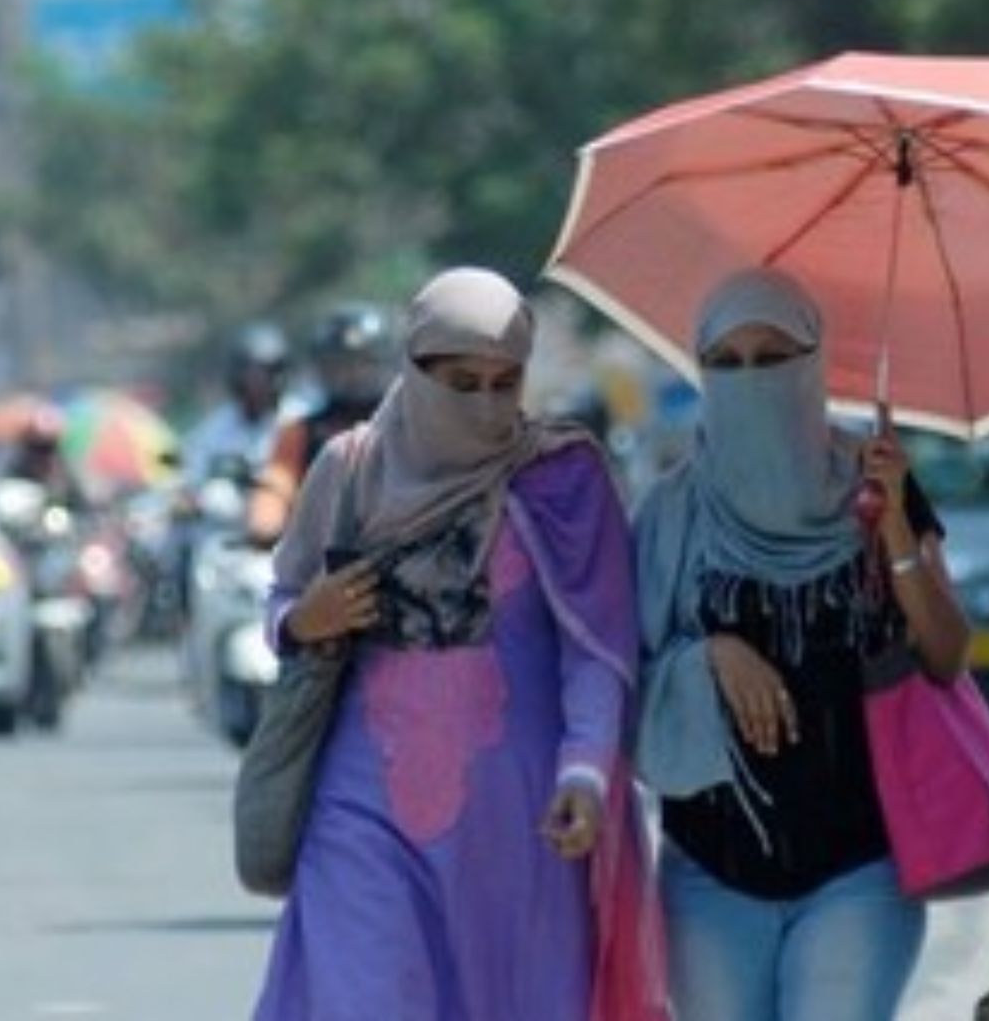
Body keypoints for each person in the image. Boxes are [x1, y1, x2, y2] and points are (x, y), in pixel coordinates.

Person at [253, 268, 666, 1020]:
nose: (484, 405)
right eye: (461, 381)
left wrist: (585, 773)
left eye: (504, 382)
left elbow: (597, 650)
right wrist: (303, 620)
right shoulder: (350, 470)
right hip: (361, 805)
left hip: (526, 821)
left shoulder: (563, 480)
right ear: (413, 370)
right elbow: (282, 599)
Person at [632, 269, 971, 1020]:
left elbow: (947, 654)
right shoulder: (669, 513)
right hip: (708, 872)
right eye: (727, 363)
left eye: (774, 356)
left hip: (861, 867)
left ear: (814, 362)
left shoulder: (879, 489)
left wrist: (891, 528)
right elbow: (622, 683)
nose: (752, 379)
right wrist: (711, 657)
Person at [245, 302, 394, 544]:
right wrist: (265, 519)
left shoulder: (408, 426)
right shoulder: (302, 431)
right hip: (322, 562)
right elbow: (277, 483)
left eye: (360, 364)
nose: (349, 376)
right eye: (338, 366)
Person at [180, 322, 293, 486]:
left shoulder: (296, 420)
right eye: (251, 374)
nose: (257, 383)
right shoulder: (219, 425)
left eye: (265, 373)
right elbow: (194, 466)